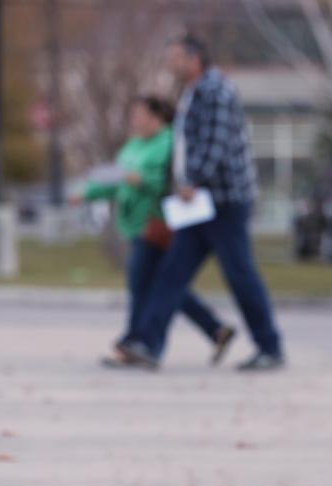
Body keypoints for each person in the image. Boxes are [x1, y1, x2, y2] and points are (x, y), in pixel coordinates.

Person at [121, 35, 284, 371]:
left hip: (224, 203)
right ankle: (148, 346)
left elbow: (216, 143)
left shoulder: (216, 91)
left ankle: (270, 346)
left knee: (240, 276)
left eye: (175, 58)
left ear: (194, 58)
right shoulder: (193, 92)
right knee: (171, 274)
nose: (170, 64)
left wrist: (192, 180)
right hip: (197, 206)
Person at [70, 95, 235, 366]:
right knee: (165, 287)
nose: (135, 120)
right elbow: (116, 179)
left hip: (159, 223)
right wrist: (88, 193)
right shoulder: (134, 146)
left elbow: (170, 181)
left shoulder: (170, 143)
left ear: (156, 117)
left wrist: (141, 179)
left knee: (144, 284)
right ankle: (215, 330)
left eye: (140, 114)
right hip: (134, 222)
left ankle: (138, 343)